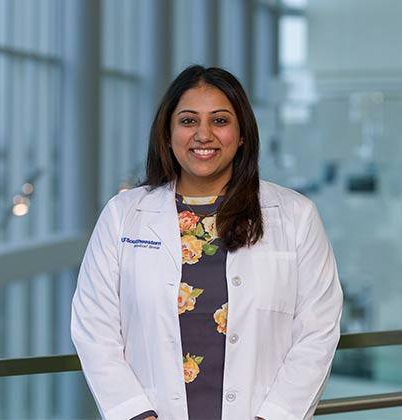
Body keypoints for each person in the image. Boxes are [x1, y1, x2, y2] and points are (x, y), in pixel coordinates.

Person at [71, 65, 343, 420]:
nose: (203, 134)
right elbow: (95, 326)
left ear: (242, 133)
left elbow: (318, 330)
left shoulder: (295, 215)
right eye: (187, 121)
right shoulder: (123, 214)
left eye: (219, 121)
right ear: (167, 134)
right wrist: (137, 415)